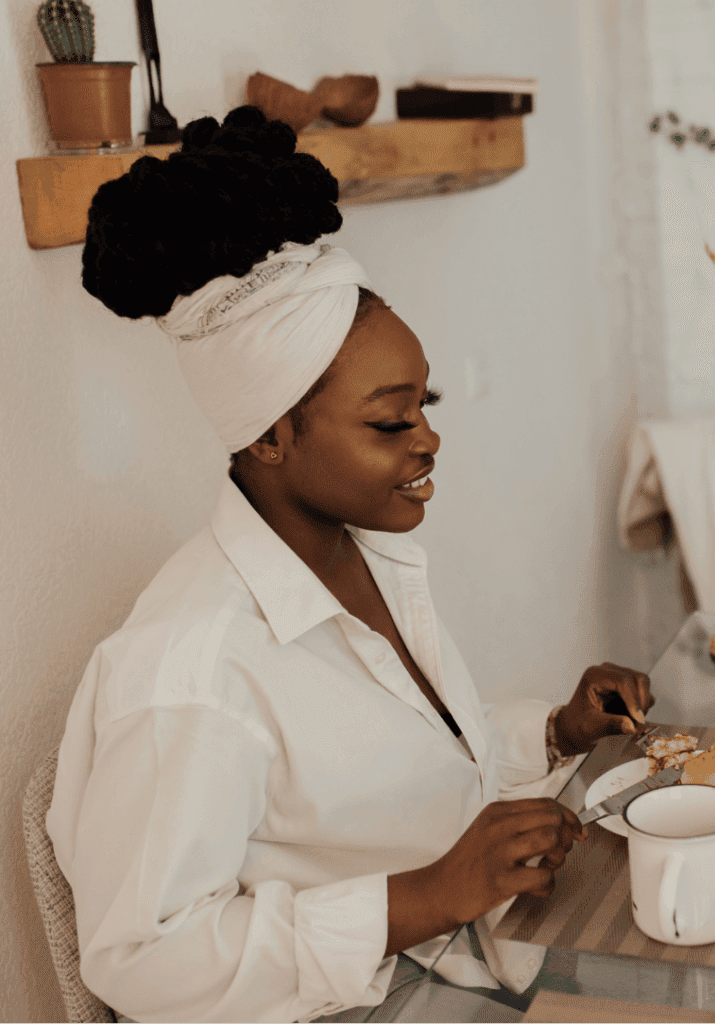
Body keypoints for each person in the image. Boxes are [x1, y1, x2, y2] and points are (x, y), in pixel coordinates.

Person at [47, 105, 654, 1024]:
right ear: (275, 435)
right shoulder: (193, 669)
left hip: (452, 964)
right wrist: (426, 897)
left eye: (425, 405)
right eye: (389, 420)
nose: (428, 438)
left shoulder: (364, 556)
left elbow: (393, 783)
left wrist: (555, 734)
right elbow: (140, 961)